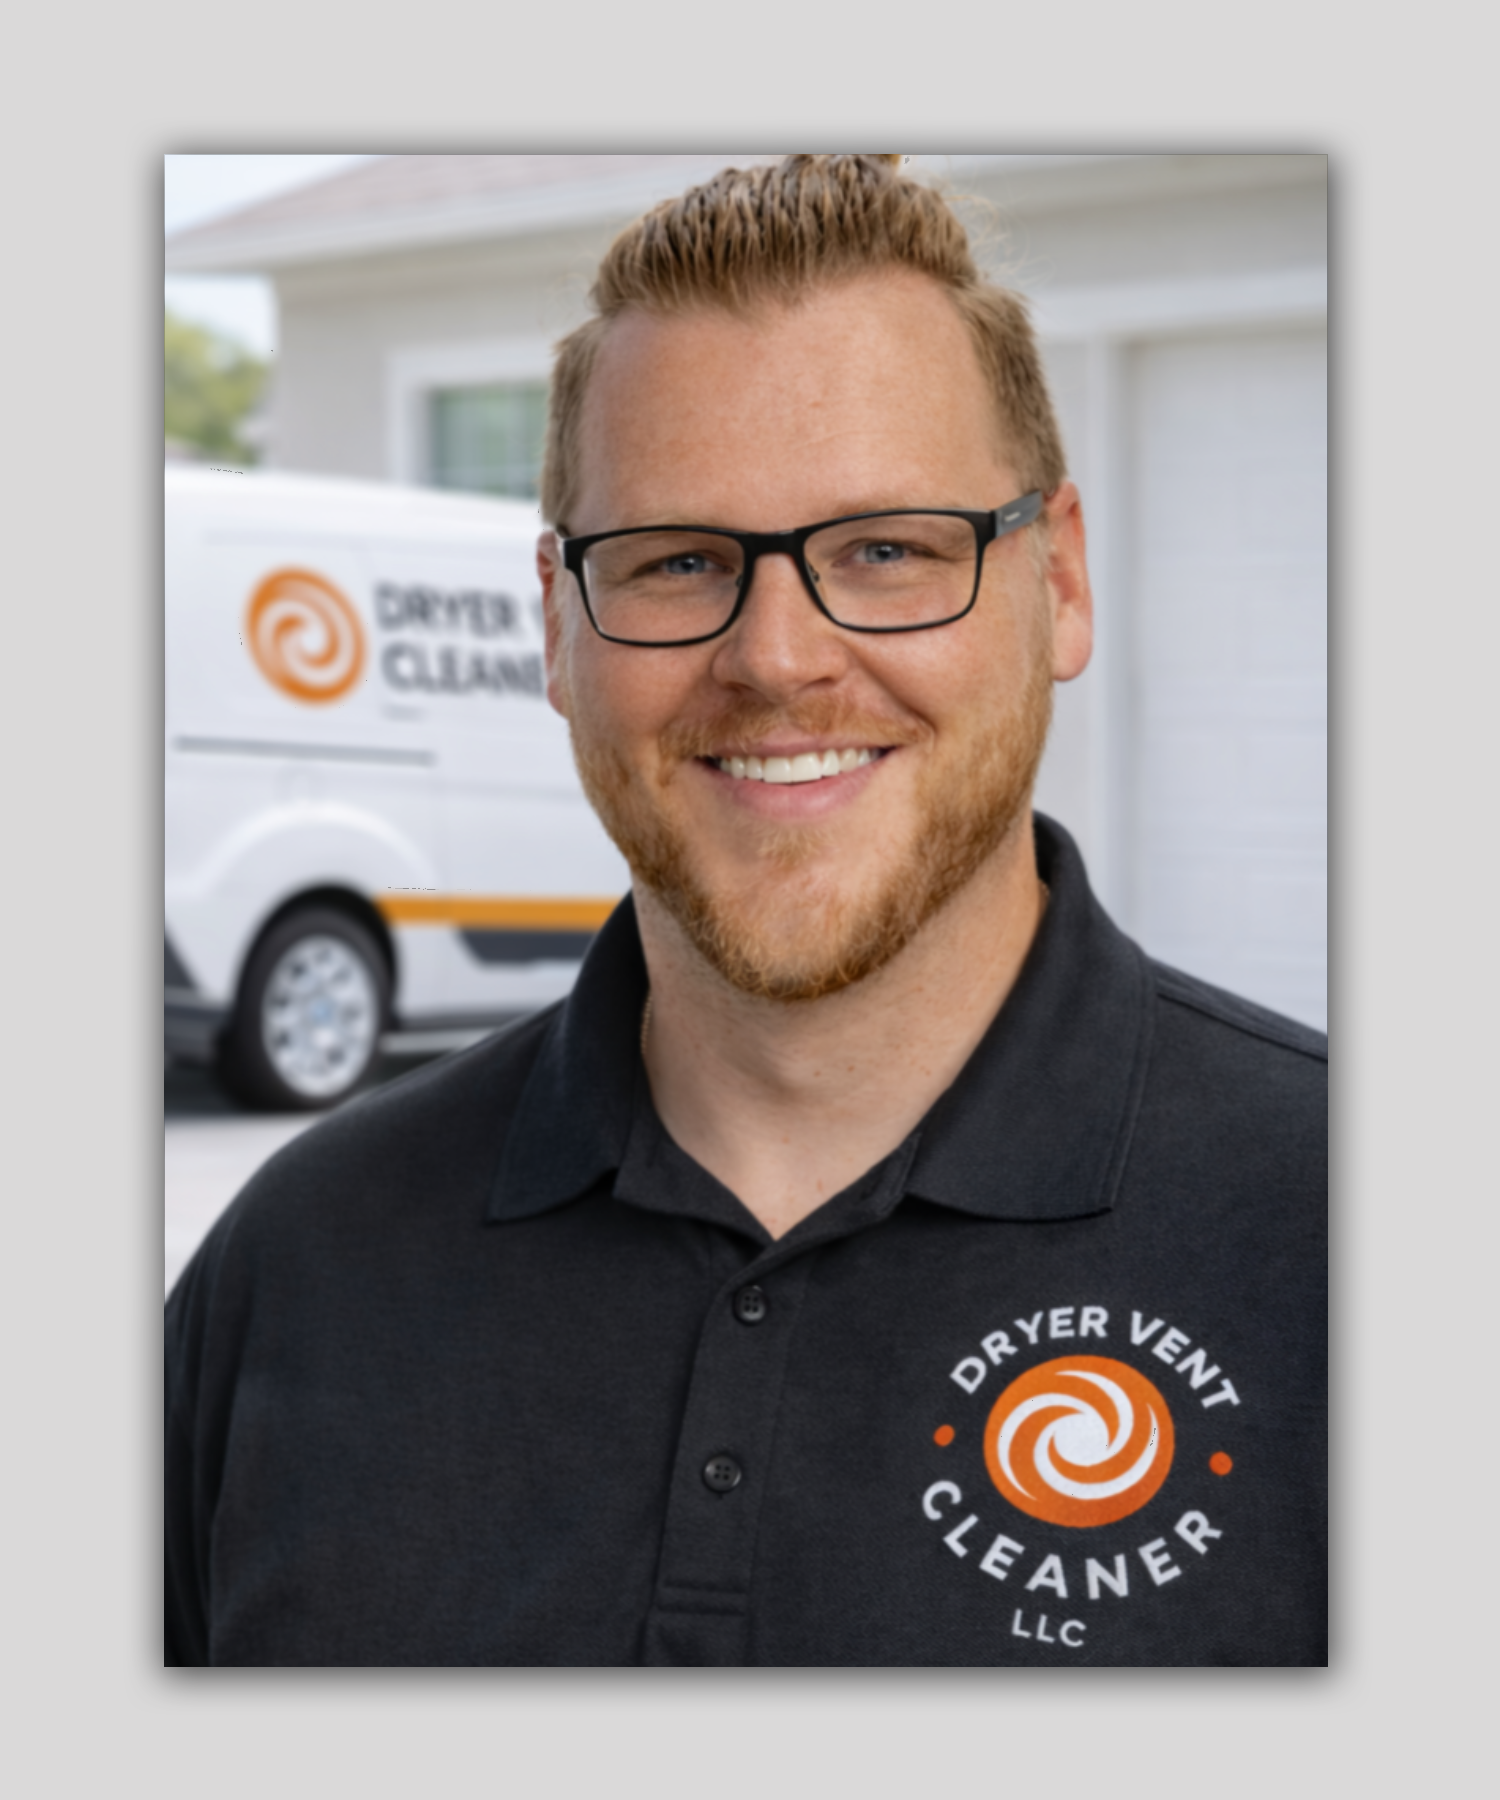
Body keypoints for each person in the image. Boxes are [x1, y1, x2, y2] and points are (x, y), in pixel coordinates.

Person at [165, 154, 1326, 1667]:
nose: (777, 658)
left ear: (1063, 580)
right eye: (677, 563)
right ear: (558, 628)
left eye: (888, 550)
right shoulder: (298, 1268)